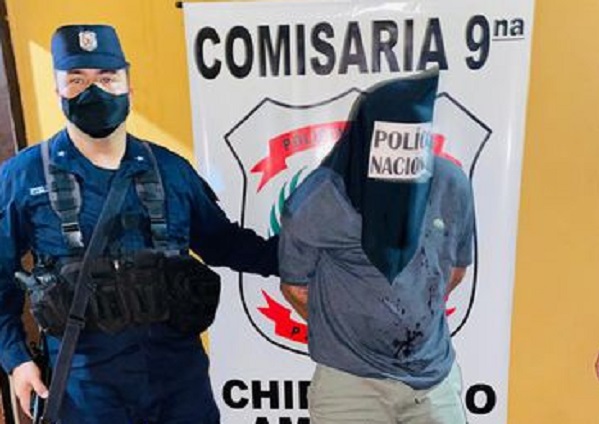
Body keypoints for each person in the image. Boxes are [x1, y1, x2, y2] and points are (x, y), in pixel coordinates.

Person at [0, 24, 278, 424]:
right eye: (77, 80)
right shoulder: (24, 176)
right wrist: (16, 358)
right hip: (85, 388)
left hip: (178, 383)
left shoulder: (170, 170)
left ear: (128, 86)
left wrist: (303, 256)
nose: (93, 92)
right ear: (57, 89)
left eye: (106, 78)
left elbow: (224, 243)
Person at [279, 70, 475, 424]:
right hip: (349, 384)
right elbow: (294, 287)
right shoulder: (318, 201)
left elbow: (455, 269)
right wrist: (348, 336)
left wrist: (411, 316)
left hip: (431, 378)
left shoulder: (451, 186)